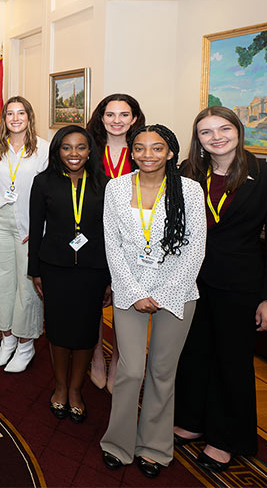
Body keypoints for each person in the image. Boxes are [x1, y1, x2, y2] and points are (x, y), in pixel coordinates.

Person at [174, 106, 267, 472]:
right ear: (198, 139)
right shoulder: (187, 174)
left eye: (223, 128)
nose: (216, 137)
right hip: (191, 282)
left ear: (238, 131)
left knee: (231, 361)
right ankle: (192, 421)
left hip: (240, 286)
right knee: (193, 355)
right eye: (206, 132)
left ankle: (226, 438)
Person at [99, 124, 206, 479]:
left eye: (157, 148)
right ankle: (118, 443)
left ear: (171, 153)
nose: (148, 155)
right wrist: (134, 292)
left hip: (176, 291)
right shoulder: (116, 188)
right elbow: (112, 245)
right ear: (132, 151)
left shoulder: (189, 190)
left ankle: (155, 446)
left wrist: (162, 294)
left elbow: (195, 249)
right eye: (140, 148)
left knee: (162, 372)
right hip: (130, 290)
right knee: (130, 370)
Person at [28, 125, 110, 424]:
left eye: (80, 147)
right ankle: (60, 387)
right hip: (55, 267)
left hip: (94, 269)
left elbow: (112, 234)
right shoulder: (43, 182)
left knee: (86, 333)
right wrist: (34, 270)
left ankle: (76, 390)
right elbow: (36, 229)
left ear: (90, 151)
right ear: (57, 151)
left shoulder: (105, 183)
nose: (74, 154)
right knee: (59, 331)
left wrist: (111, 276)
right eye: (67, 147)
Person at [0, 96, 49, 373]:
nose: (15, 118)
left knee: (26, 284)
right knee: (1, 281)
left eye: (21, 113)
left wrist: (41, 230)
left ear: (29, 117)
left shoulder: (43, 149)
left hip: (29, 225)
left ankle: (25, 342)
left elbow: (47, 193)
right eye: (10, 114)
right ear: (4, 119)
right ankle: (6, 338)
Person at [85, 93, 145, 391]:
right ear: (101, 117)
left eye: (124, 115)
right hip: (93, 236)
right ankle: (97, 354)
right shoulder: (89, 149)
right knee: (94, 298)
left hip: (132, 239)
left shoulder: (144, 150)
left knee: (124, 302)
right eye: (111, 114)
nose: (117, 121)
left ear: (134, 118)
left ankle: (119, 357)